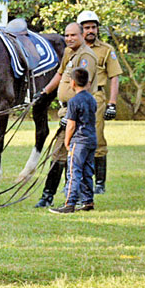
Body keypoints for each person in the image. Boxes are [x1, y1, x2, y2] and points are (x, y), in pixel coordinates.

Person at [34, 23, 97, 208]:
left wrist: (72, 114)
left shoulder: (86, 57)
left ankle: (52, 196)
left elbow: (85, 86)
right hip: (67, 110)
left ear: (82, 35)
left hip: (76, 113)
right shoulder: (69, 52)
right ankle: (83, 199)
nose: (69, 38)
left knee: (62, 155)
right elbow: (60, 74)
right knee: (67, 157)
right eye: (67, 35)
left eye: (73, 35)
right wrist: (44, 92)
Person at [78, 11, 122, 194]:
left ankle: (99, 182)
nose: (91, 31)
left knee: (96, 137)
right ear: (81, 29)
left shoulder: (106, 49)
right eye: (87, 27)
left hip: (96, 97)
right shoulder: (74, 48)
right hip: (75, 98)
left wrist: (112, 103)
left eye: (93, 27)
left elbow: (114, 77)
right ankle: (76, 180)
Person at [50, 68, 98, 214]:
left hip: (79, 140)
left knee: (73, 172)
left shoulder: (73, 101)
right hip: (91, 139)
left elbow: (71, 125)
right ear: (87, 83)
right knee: (87, 171)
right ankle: (88, 200)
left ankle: (70, 203)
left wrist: (67, 141)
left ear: (72, 82)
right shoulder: (92, 99)